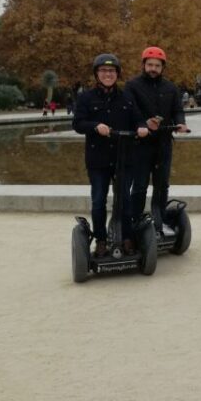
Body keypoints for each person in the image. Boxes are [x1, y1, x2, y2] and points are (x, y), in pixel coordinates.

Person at [73, 54, 148, 257]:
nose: (108, 74)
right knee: (98, 201)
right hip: (98, 160)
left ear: (117, 74)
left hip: (123, 159)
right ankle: (101, 240)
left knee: (124, 200)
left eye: (112, 71)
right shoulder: (86, 98)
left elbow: (138, 120)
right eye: (104, 71)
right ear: (97, 74)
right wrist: (95, 126)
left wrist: (142, 128)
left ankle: (127, 238)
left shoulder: (126, 98)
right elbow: (77, 124)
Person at [126, 46, 189, 226]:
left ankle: (159, 219)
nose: (153, 69)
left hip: (163, 143)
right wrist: (142, 124)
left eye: (157, 66)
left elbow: (177, 110)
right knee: (139, 186)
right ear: (143, 65)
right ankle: (135, 221)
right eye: (150, 65)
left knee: (162, 185)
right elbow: (131, 111)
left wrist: (180, 123)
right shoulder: (132, 86)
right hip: (141, 144)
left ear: (163, 67)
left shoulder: (170, 87)